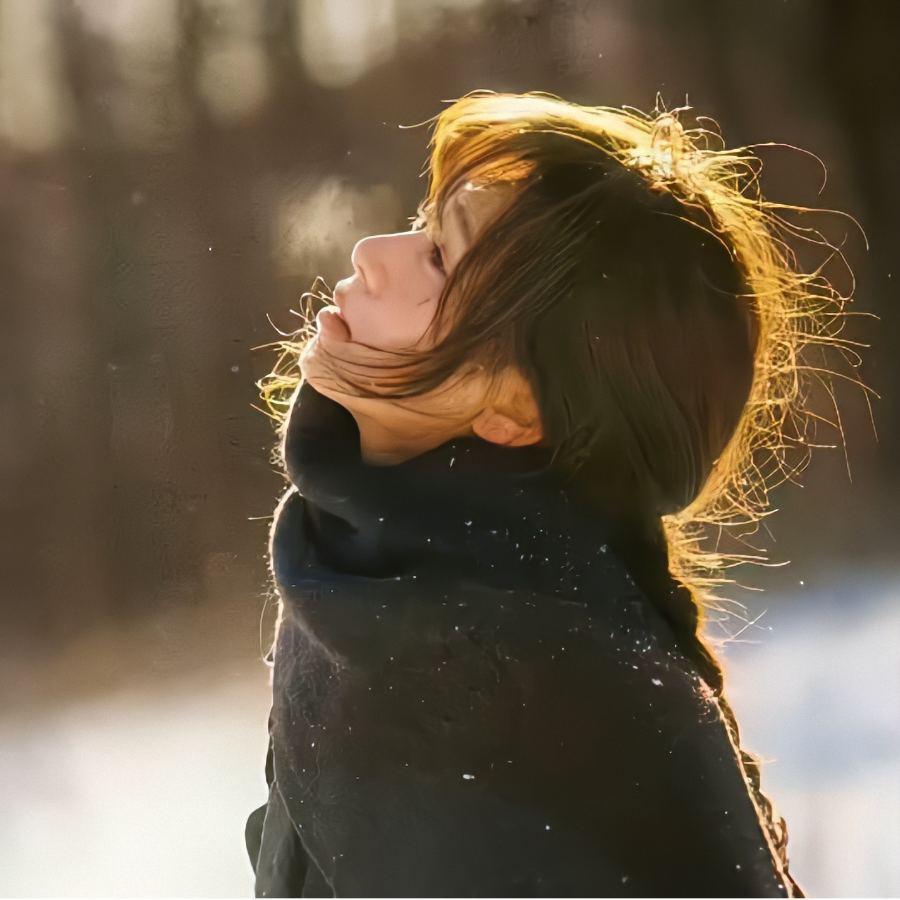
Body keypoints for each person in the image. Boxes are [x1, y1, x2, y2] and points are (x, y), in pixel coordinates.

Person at [246, 91, 830, 898]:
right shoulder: (356, 569)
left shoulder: (531, 693)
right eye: (422, 225)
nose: (374, 250)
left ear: (520, 410)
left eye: (441, 261)